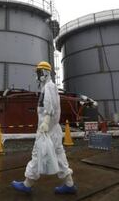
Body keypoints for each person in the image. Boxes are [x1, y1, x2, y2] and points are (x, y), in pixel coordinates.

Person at [11, 61, 77, 194]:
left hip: (47, 130)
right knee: (59, 155)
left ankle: (27, 184)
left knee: (37, 154)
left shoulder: (48, 87)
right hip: (53, 129)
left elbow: (49, 107)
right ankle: (69, 184)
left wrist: (45, 123)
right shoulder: (48, 87)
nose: (37, 75)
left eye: (39, 72)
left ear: (45, 73)